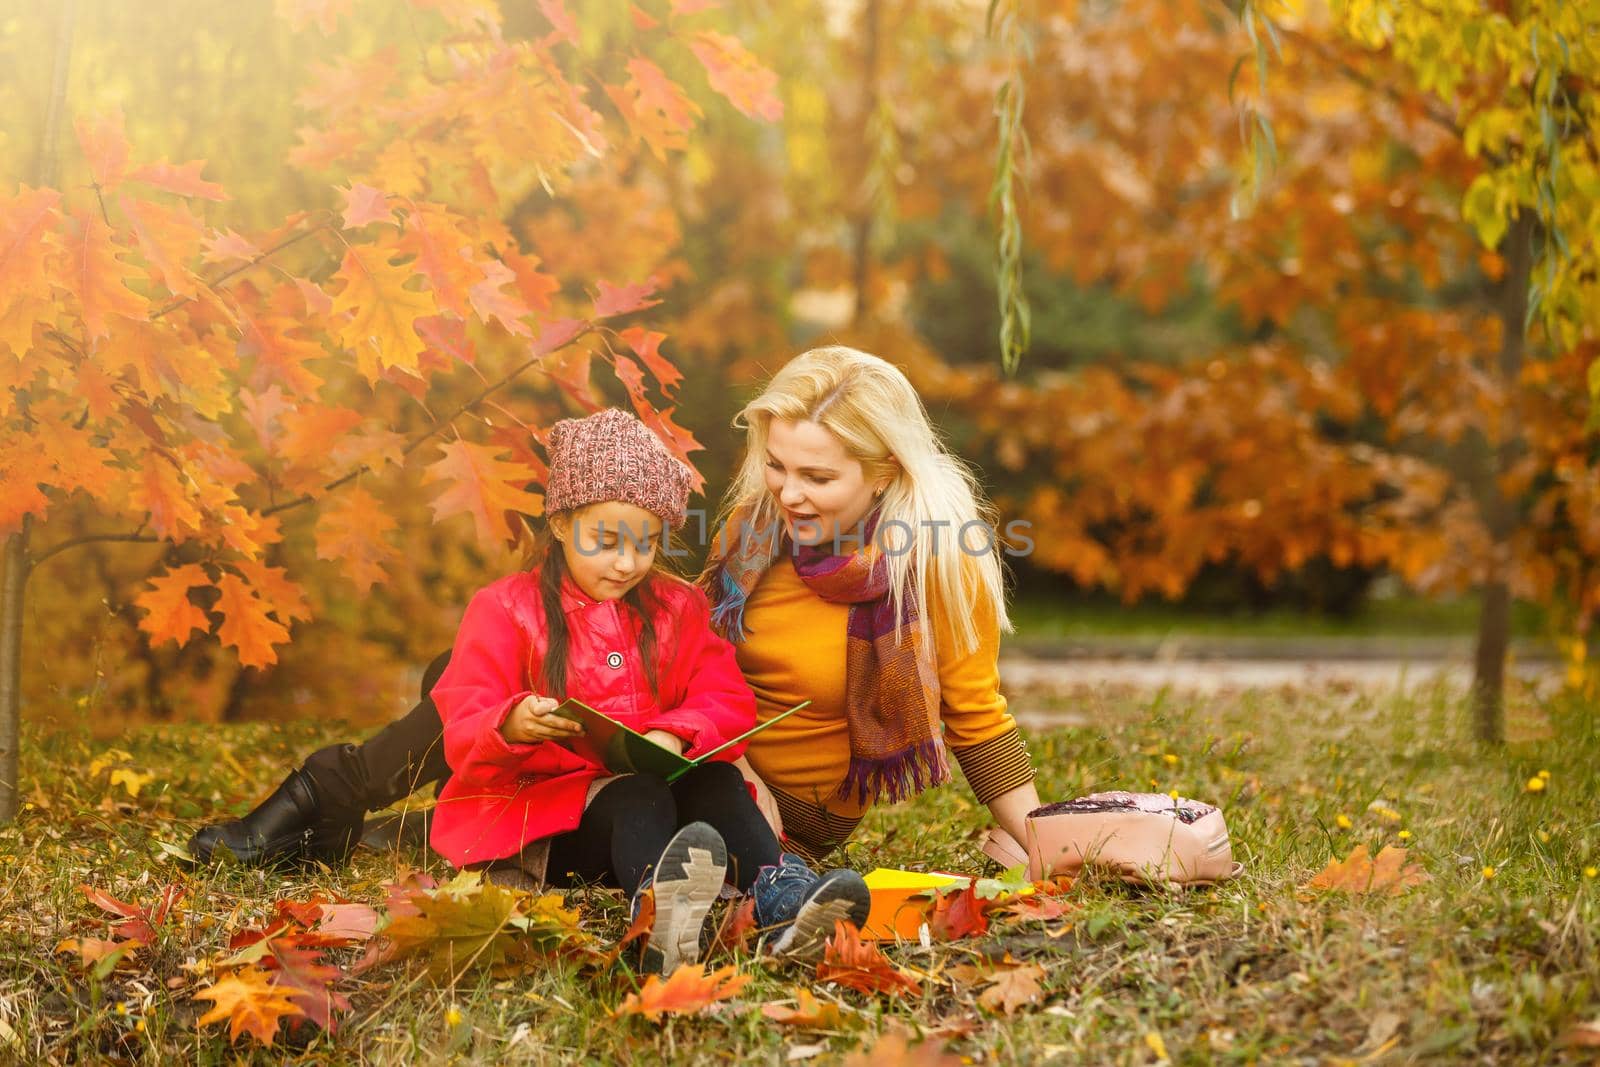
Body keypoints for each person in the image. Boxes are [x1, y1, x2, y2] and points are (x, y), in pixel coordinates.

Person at [191, 345, 1039, 922]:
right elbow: (675, 647)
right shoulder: (752, 531)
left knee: (513, 729)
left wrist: (1034, 845)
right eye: (777, 466)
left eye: (818, 475)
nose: (788, 493)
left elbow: (974, 714)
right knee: (477, 670)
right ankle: (338, 807)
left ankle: (337, 809)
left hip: (758, 802)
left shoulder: (934, 566)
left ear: (886, 470)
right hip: (684, 753)